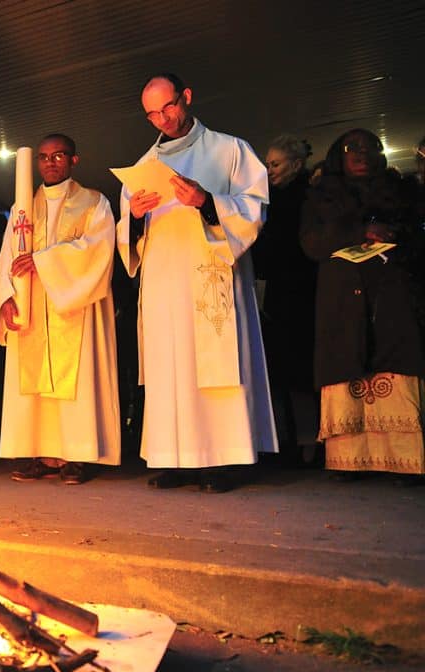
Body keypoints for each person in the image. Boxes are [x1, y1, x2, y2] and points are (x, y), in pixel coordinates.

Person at [116, 74, 276, 493]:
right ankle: (175, 458)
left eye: (167, 107)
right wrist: (133, 216)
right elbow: (127, 237)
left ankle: (224, 460)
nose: (161, 119)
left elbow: (255, 209)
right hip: (164, 285)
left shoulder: (230, 150)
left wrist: (206, 202)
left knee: (215, 365)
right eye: (151, 113)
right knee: (172, 367)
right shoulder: (142, 165)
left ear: (186, 97)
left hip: (211, 276)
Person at [0, 133, 120, 484]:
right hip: (31, 306)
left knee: (76, 383)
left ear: (73, 160)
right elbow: (7, 258)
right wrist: (4, 298)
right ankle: (40, 453)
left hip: (72, 307)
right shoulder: (23, 206)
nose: (50, 162)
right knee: (33, 390)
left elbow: (98, 249)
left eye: (58, 155)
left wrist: (45, 262)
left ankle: (76, 455)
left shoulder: (95, 203)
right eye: (44, 157)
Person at [300, 128, 425, 481]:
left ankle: (400, 461)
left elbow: (416, 235)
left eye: (369, 147)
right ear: (339, 155)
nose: (361, 154)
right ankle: (350, 462)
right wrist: (360, 230)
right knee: (347, 369)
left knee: (395, 366)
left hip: (390, 296)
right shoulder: (321, 196)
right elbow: (311, 242)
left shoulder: (401, 193)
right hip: (342, 298)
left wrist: (393, 234)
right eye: (351, 148)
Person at [251, 136, 319, 465]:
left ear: (295, 164)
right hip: (276, 291)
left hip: (303, 290)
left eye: (275, 164)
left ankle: (308, 442)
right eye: (267, 164)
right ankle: (284, 440)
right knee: (277, 367)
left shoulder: (311, 194)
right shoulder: (268, 197)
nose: (269, 170)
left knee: (300, 369)